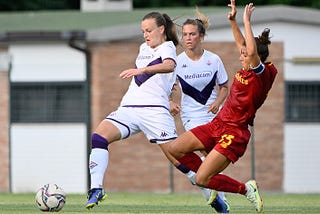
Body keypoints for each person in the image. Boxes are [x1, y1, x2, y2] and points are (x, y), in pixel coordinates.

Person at [84, 11, 228, 213]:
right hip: (129, 108)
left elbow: (169, 66)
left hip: (154, 113)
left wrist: (142, 71)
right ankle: (96, 189)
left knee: (179, 159)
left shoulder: (168, 47)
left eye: (149, 30)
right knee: (99, 137)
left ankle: (214, 194)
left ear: (161, 29)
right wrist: (169, 98)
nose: (145, 34)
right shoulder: (143, 47)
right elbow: (162, 83)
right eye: (143, 31)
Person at [168, 1, 278, 213]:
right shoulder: (248, 65)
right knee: (175, 149)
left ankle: (246, 189)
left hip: (235, 132)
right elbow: (243, 45)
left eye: (244, 54)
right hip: (218, 124)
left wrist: (246, 21)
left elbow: (251, 52)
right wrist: (233, 21)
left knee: (202, 179)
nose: (241, 55)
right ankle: (212, 177)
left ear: (256, 57)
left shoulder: (261, 74)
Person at [170, 7, 230, 212]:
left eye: (192, 34)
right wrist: (170, 102)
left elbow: (224, 86)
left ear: (201, 36)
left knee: (213, 157)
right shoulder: (177, 62)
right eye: (184, 34)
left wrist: (217, 103)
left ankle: (216, 195)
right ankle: (216, 197)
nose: (187, 38)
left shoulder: (213, 59)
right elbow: (166, 87)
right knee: (205, 152)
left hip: (214, 115)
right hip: (191, 116)